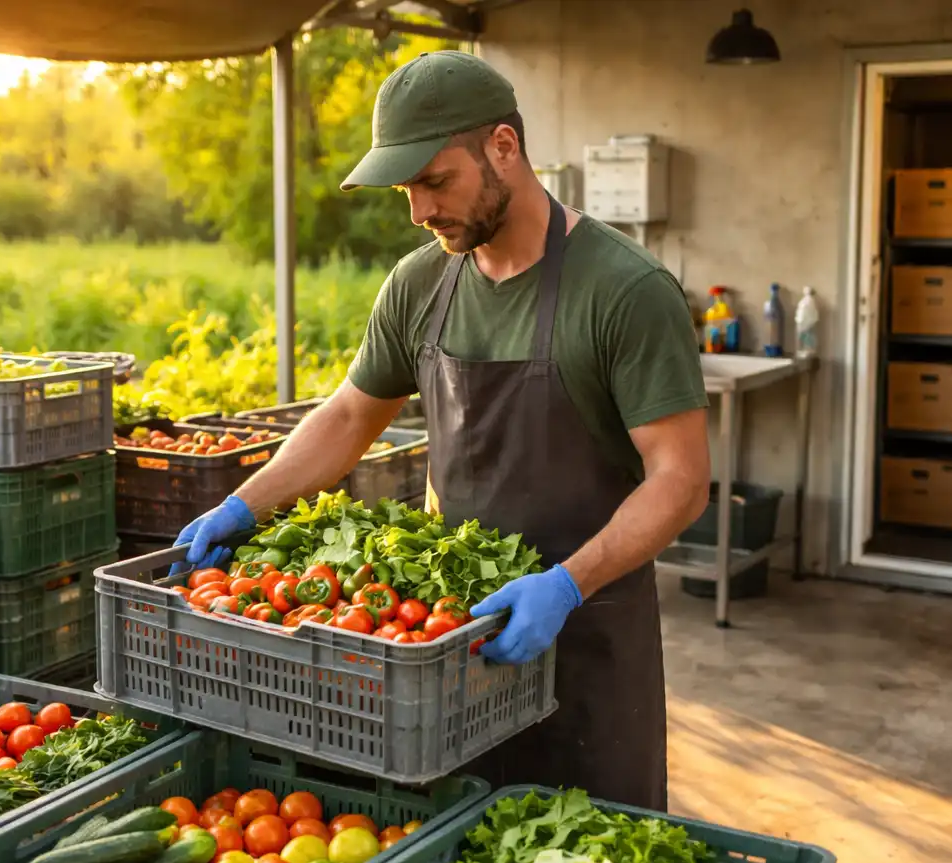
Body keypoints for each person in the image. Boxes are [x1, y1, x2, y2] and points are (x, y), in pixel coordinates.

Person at [172, 51, 710, 811]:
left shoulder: (625, 290)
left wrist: (566, 584)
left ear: (502, 147)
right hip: (444, 644)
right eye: (406, 190)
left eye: (434, 181)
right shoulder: (420, 284)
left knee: (583, 855)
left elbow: (681, 481)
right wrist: (243, 505)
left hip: (586, 638)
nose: (419, 212)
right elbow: (351, 415)